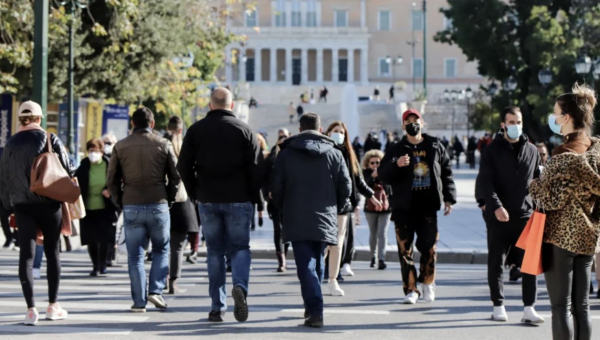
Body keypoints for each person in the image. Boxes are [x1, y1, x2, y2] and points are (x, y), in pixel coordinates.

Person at [177, 87, 261, 323]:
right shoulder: (245, 130)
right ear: (232, 105)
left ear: (210, 105)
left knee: (214, 252)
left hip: (208, 198)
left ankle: (217, 307)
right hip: (238, 197)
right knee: (240, 248)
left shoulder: (196, 130)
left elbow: (183, 166)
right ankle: (240, 288)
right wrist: (253, 197)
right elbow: (256, 168)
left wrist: (195, 191)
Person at [530, 84, 600, 339]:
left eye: (555, 112)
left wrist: (534, 185)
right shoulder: (597, 150)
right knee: (582, 306)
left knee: (560, 306)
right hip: (588, 237)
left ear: (566, 118)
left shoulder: (561, 155)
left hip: (560, 238)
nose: (553, 118)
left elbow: (551, 199)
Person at [271, 113, 352, 328]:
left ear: (299, 129)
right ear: (321, 129)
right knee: (316, 261)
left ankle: (315, 309)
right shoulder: (335, 153)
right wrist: (337, 207)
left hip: (296, 215)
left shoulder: (286, 154)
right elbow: (346, 187)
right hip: (325, 215)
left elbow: (276, 187)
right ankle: (312, 307)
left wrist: (283, 207)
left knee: (306, 264)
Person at [0, 101, 72, 325]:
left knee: (27, 258)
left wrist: (9, 206)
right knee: (52, 252)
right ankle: (53, 305)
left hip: (22, 207)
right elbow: (68, 170)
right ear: (39, 118)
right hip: (49, 204)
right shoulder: (50, 139)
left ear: (20, 119)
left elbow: (3, 179)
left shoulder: (10, 143)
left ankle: (31, 310)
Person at [378, 109, 456, 305]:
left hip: (427, 206)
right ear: (403, 126)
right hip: (403, 208)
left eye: (416, 120)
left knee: (429, 247)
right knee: (405, 251)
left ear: (422, 122)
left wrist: (449, 198)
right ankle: (411, 289)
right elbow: (383, 175)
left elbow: (446, 172)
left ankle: (427, 282)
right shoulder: (396, 149)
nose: (413, 123)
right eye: (408, 121)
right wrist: (397, 165)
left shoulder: (435, 145)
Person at [107, 107, 180, 313]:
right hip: (158, 202)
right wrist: (169, 198)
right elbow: (175, 176)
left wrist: (120, 199)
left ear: (132, 124)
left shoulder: (120, 146)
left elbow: (111, 178)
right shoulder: (163, 143)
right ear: (152, 124)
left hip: (131, 203)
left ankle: (139, 301)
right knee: (161, 249)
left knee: (135, 256)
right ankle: (156, 291)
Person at [477, 106, 543, 323]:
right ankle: (498, 306)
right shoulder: (491, 151)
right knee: (496, 262)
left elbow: (537, 181)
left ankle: (529, 308)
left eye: (519, 122)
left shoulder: (532, 151)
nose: (516, 126)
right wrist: (496, 206)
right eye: (512, 122)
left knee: (529, 264)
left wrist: (537, 201)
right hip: (499, 216)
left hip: (525, 215)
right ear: (503, 125)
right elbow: (486, 182)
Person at [324, 122, 381, 295]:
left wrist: (372, 196)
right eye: (335, 131)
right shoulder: (322, 151)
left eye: (342, 132)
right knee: (324, 244)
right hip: (324, 204)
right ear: (328, 132)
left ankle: (333, 279)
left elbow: (358, 180)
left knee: (338, 243)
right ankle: (317, 273)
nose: (339, 135)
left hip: (344, 205)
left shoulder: (349, 153)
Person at [163, 117, 199, 294]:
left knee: (161, 245)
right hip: (182, 200)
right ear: (180, 129)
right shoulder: (185, 146)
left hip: (161, 199)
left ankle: (161, 278)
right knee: (177, 245)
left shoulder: (159, 144)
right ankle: (173, 281)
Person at [75, 138, 120, 277]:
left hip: (105, 207)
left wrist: (110, 191)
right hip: (88, 208)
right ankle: (95, 265)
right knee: (91, 239)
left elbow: (118, 181)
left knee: (105, 238)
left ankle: (103, 264)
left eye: (95, 151)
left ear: (101, 151)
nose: (93, 153)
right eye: (90, 151)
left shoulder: (109, 164)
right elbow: (76, 183)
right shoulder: (83, 166)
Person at [264, 129, 291, 272]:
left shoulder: (293, 156)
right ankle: (282, 260)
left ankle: (284, 255)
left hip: (289, 201)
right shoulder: (271, 157)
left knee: (286, 229)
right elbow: (264, 177)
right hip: (274, 200)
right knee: (278, 229)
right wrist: (267, 192)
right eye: (281, 136)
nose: (283, 139)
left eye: (285, 136)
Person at [362, 150, 392, 270]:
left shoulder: (386, 173)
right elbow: (364, 188)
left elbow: (389, 189)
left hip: (385, 208)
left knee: (382, 233)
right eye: (372, 163)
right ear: (368, 164)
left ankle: (381, 259)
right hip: (370, 208)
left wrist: (381, 176)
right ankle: (373, 256)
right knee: (373, 233)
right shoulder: (365, 174)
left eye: (377, 162)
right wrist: (372, 177)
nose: (375, 165)